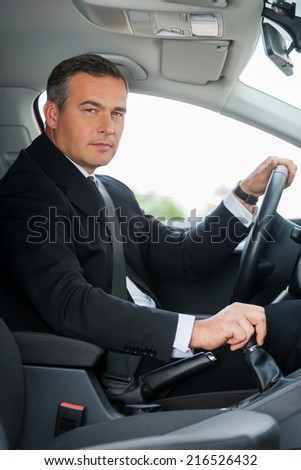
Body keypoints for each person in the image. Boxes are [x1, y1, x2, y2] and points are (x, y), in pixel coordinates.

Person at [0, 53, 300, 396]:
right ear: (52, 115)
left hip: (154, 348)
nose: (108, 127)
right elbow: (70, 303)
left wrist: (246, 193)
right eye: (90, 109)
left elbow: (184, 255)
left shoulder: (109, 188)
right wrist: (197, 332)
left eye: (117, 112)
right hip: (121, 373)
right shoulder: (25, 195)